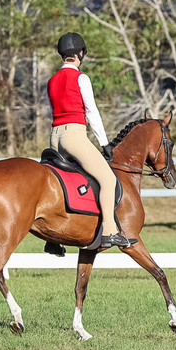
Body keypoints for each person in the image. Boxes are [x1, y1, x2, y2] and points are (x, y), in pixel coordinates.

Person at [45, 32, 133, 250]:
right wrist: (104, 143)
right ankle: (110, 231)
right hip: (74, 135)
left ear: (62, 55)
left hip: (54, 137)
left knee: (59, 183)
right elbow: (91, 112)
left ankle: (52, 239)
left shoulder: (51, 81)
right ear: (80, 53)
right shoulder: (81, 78)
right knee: (107, 179)